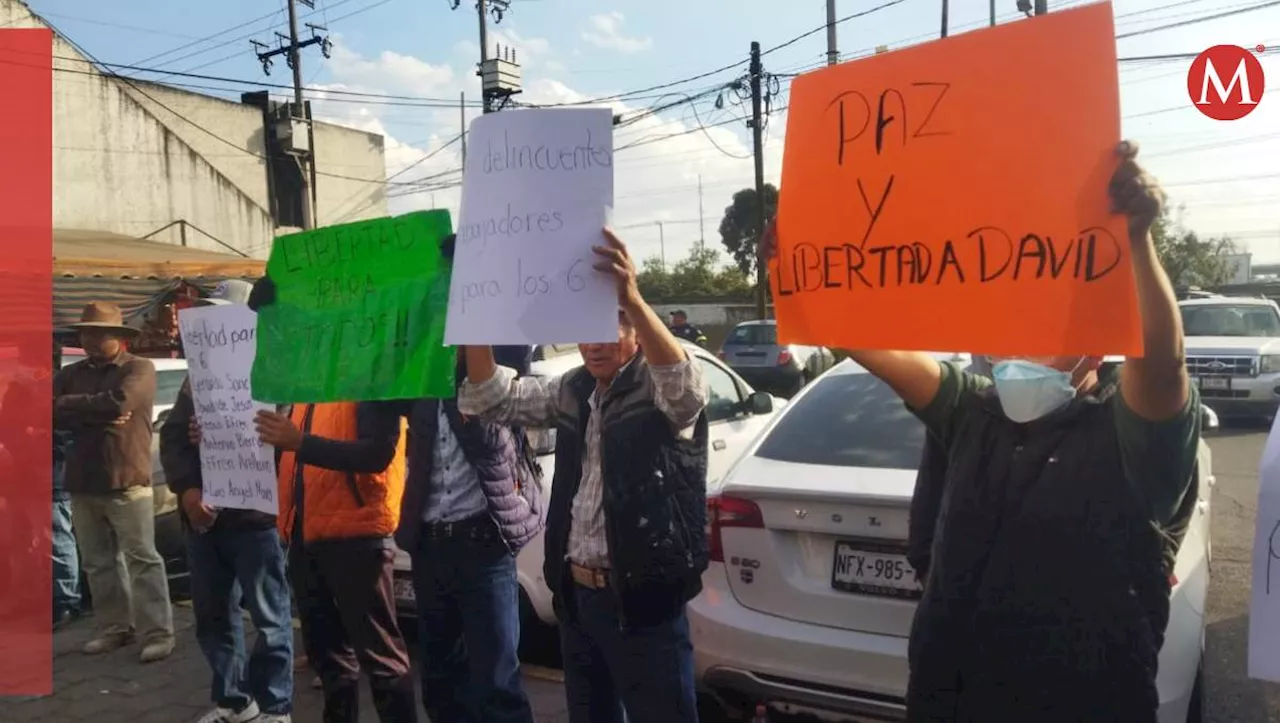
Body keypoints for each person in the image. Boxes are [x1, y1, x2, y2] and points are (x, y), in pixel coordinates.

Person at [763, 142, 1199, 722]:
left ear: (1094, 342)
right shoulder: (971, 411)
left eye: (1036, 327)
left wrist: (1137, 239)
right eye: (1003, 330)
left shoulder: (1131, 439)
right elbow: (857, 341)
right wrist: (791, 269)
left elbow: (1163, 368)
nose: (1009, 350)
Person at [460, 228, 710, 723]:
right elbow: (491, 397)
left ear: (634, 332)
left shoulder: (658, 391)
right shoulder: (572, 389)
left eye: (610, 328)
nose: (594, 345)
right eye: (586, 330)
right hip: (578, 602)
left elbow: (685, 393)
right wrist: (475, 312)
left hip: (641, 602)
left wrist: (631, 297)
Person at [160, 279, 294, 723]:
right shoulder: (196, 379)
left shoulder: (281, 373)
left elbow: (296, 446)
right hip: (205, 522)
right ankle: (235, 701)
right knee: (213, 617)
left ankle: (275, 706)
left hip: (257, 520)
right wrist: (188, 492)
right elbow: (174, 438)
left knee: (270, 618)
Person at [394, 344, 544, 723]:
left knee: (496, 681)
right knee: (440, 676)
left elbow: (493, 443)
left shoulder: (499, 379)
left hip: (483, 546)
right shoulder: (418, 377)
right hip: (430, 546)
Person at [255, 388, 416, 723]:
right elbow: (290, 452)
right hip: (304, 534)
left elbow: (377, 454)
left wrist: (300, 442)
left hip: (358, 536)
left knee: (381, 659)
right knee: (329, 660)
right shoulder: (307, 385)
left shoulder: (369, 375)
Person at [54, 301, 174, 662]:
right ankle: (115, 628)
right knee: (98, 561)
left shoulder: (139, 367)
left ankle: (158, 632)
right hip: (83, 479)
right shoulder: (72, 373)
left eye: (96, 333)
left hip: (126, 479)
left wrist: (73, 409)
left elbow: (119, 404)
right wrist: (92, 411)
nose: (88, 339)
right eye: (85, 333)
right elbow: (44, 405)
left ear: (118, 338)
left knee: (142, 559)